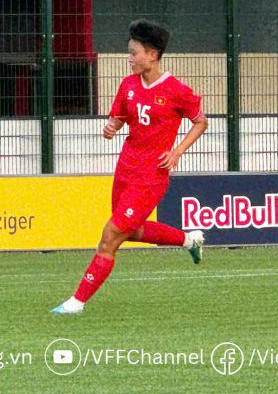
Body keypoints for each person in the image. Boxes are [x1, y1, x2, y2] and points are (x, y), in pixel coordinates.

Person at [52, 20, 208, 314]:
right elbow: (120, 118)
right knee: (131, 232)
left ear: (152, 54)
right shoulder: (128, 85)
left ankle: (77, 302)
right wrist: (111, 127)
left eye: (133, 52)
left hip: (151, 176)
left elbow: (200, 121)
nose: (129, 58)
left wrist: (177, 152)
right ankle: (189, 240)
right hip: (125, 169)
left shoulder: (177, 90)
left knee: (110, 235)